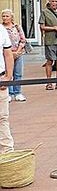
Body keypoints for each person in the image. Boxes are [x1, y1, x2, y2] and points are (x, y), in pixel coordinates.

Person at [38, 0, 57, 90]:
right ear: (49, 1)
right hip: (50, 40)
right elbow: (42, 27)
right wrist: (54, 28)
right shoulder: (44, 12)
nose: (54, 3)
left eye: (56, 1)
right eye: (52, 1)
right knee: (50, 61)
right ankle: (49, 82)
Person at [1, 10, 27, 102]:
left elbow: (23, 40)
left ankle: (18, 92)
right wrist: (10, 53)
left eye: (7, 16)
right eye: (3, 16)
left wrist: (18, 51)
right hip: (7, 54)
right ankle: (10, 93)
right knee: (9, 73)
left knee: (18, 73)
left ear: (11, 17)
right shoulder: (1, 28)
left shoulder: (17, 27)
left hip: (18, 53)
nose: (5, 18)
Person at [0, 24, 14, 154]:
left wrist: (8, 76)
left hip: (0, 78)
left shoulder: (1, 29)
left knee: (2, 117)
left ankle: (7, 152)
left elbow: (8, 53)